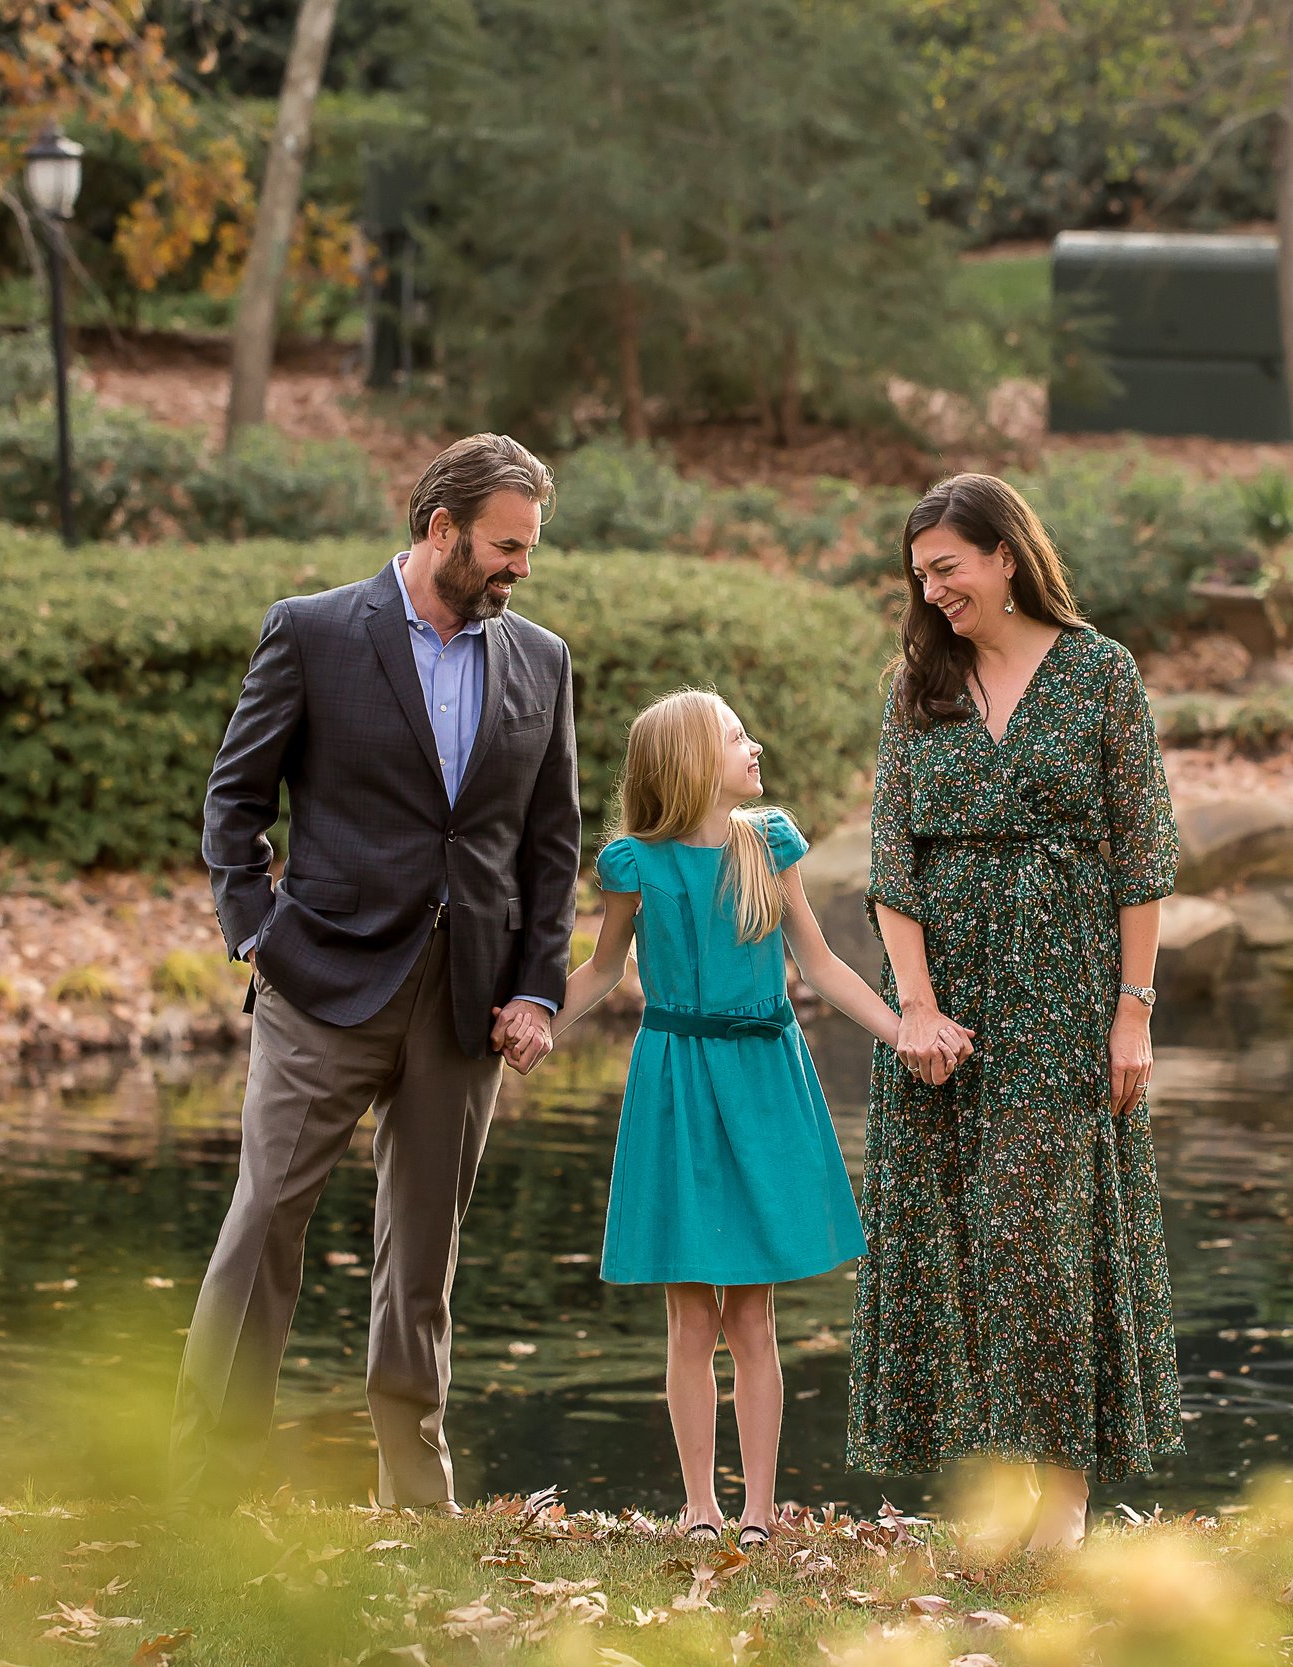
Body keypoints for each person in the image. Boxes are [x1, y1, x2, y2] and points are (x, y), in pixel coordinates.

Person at [169, 433, 581, 1509]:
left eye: (528, 548)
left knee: (423, 1261)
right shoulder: (311, 632)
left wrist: (539, 985)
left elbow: (549, 841)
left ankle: (413, 1494)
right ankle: (207, 1489)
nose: (518, 567)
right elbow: (233, 805)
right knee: (263, 1227)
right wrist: (258, 930)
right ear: (438, 529)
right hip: (322, 986)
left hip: (468, 1002)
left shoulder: (541, 659)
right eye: (503, 545)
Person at [846, 472, 1185, 1555]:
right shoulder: (919, 684)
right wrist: (916, 1008)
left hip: (1063, 995)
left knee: (1044, 1236)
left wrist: (1130, 1014)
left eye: (948, 566)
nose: (934, 589)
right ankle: (1000, 1491)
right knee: (959, 1239)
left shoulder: (1098, 673)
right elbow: (892, 860)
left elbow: (1142, 853)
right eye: (920, 575)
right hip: (947, 1003)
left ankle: (1066, 1496)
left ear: (1004, 554)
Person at [541, 690, 900, 1548]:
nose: (756, 743)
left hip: (766, 1083)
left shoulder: (767, 844)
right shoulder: (635, 864)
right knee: (691, 1316)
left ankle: (757, 1511)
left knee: (752, 1315)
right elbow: (599, 971)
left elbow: (817, 963)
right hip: (676, 1082)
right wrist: (532, 1024)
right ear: (693, 762)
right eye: (738, 735)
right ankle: (699, 1505)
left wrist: (903, 1030)